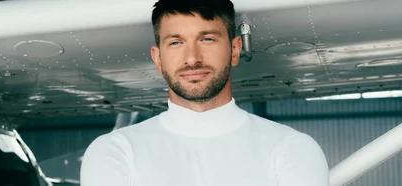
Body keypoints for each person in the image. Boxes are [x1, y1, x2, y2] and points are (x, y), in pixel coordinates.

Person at [80, 0, 330, 185]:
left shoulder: (292, 149)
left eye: (207, 39)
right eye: (176, 42)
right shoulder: (114, 152)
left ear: (234, 49)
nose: (192, 59)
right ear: (158, 58)